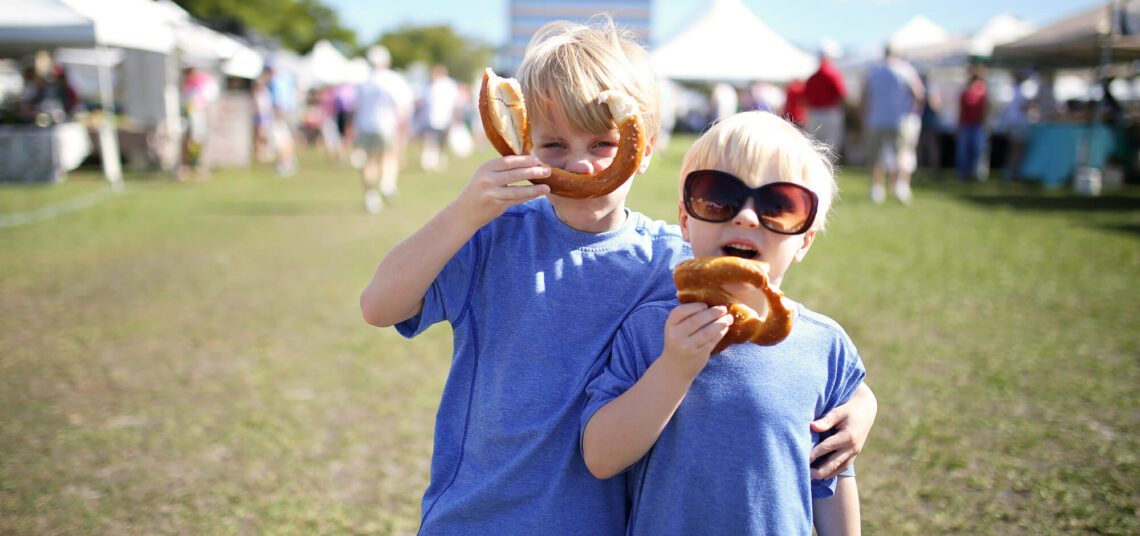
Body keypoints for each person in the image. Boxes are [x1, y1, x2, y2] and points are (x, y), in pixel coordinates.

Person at [360, 17, 876, 535]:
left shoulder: (675, 259)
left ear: (644, 150)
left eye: (603, 144)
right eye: (554, 146)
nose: (582, 166)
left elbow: (779, 334)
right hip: (480, 515)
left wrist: (859, 402)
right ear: (523, 145)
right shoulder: (495, 237)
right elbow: (379, 306)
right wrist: (464, 213)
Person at [582, 111, 864, 535]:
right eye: (718, 197)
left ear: (804, 240)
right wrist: (673, 369)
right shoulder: (647, 331)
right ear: (684, 221)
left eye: (780, 205)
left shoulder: (825, 346)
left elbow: (833, 476)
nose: (747, 217)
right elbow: (601, 457)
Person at [352, 45, 413, 213]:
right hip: (386, 126)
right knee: (388, 157)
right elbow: (403, 106)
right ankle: (387, 184)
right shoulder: (392, 79)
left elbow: (356, 108)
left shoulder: (363, 82)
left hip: (365, 126)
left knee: (369, 161)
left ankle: (371, 197)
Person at [861, 45, 924, 204]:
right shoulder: (906, 70)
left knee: (877, 156)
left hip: (875, 120)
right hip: (900, 120)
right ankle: (901, 186)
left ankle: (877, 189)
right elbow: (919, 94)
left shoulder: (874, 71)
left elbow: (864, 97)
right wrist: (914, 113)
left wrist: (865, 117)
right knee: (903, 152)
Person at [805, 44, 848, 156]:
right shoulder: (833, 73)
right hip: (829, 113)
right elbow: (842, 94)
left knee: (815, 144)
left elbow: (805, 98)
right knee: (830, 144)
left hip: (814, 113)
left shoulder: (812, 77)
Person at [420, 64, 459, 171]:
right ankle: (429, 159)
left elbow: (454, 102)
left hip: (444, 117)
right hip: (430, 118)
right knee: (430, 139)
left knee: (442, 140)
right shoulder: (429, 85)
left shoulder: (449, 85)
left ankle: (440, 158)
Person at [995, 70, 1032, 181]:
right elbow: (1021, 107)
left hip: (1014, 123)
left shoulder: (1015, 89)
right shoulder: (1017, 90)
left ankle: (1011, 172)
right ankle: (1012, 174)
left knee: (1014, 149)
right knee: (1016, 149)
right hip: (1016, 123)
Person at [956, 66, 988, 182]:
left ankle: (975, 174)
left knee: (977, 150)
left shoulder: (982, 91)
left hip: (977, 125)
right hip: (966, 124)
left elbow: (986, 109)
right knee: (964, 151)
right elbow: (961, 110)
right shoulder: (965, 92)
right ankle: (963, 174)